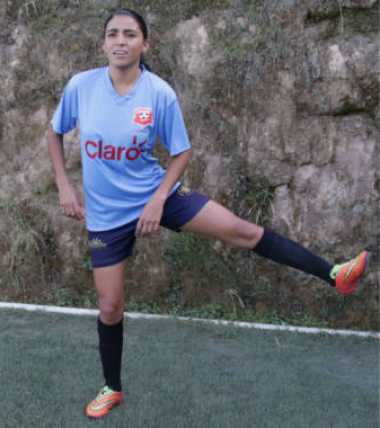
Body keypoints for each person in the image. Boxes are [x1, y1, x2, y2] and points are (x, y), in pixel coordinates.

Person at [46, 8, 369, 419]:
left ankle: (333, 274)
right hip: (106, 216)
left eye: (130, 34)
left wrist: (159, 199)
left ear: (146, 44)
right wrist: (63, 185)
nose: (120, 41)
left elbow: (181, 152)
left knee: (241, 230)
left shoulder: (158, 93)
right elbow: (55, 132)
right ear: (103, 42)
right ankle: (112, 386)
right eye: (113, 34)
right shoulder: (82, 86)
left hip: (156, 194)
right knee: (110, 307)